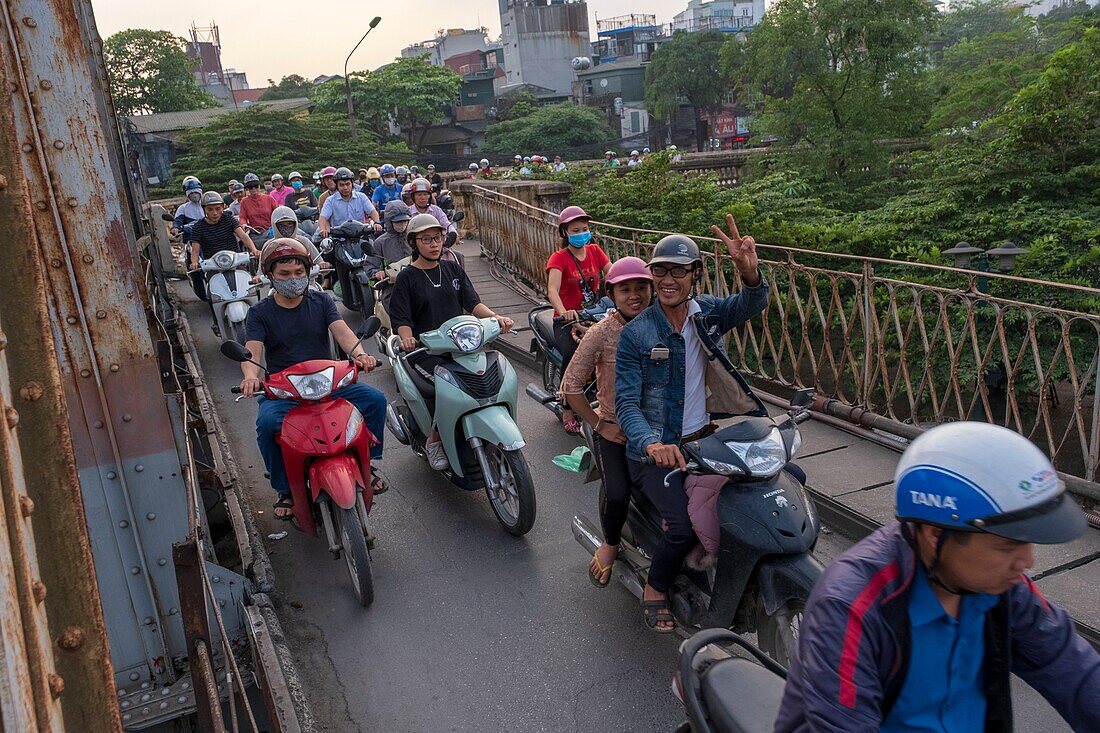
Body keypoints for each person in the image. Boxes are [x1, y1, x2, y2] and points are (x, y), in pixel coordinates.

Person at [775, 422, 1100, 732]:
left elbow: (1073, 668)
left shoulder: (1003, 589)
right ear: (934, 534)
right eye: (1008, 545)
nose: (1027, 561)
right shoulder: (850, 608)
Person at [615, 215, 769, 632]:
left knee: (778, 484)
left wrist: (749, 273)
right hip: (654, 455)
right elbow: (626, 402)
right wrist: (650, 443)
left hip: (705, 444)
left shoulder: (709, 314)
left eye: (679, 270)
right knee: (681, 529)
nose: (669, 279)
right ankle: (656, 586)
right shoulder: (637, 334)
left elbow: (751, 304)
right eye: (660, 270)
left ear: (695, 274)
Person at [241, 240, 387, 519]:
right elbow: (252, 351)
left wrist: (360, 355)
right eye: (284, 274)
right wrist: (251, 377)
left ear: (308, 271)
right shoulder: (260, 313)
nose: (293, 279)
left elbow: (343, 333)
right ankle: (284, 488)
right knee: (267, 425)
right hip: (285, 392)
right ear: (271, 275)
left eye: (299, 272)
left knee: (375, 401)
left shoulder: (321, 301)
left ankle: (369, 462)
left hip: (330, 383)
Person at [388, 214, 514, 470]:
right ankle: (434, 440)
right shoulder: (407, 278)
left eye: (438, 238)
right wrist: (407, 338)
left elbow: (473, 303)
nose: (434, 244)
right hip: (427, 351)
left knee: (489, 377)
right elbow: (401, 318)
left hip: (463, 344)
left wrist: (496, 318)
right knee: (444, 388)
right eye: (426, 239)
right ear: (414, 243)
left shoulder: (452, 268)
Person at [561, 257, 653, 587]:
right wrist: (601, 426)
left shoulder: (663, 324)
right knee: (617, 494)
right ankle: (611, 543)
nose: (635, 295)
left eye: (641, 287)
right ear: (611, 294)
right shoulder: (601, 333)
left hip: (658, 428)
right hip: (615, 429)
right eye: (625, 289)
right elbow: (571, 387)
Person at [545, 206, 612, 434]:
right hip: (566, 319)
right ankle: (566, 406)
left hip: (594, 315)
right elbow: (552, 290)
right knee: (574, 353)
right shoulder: (559, 258)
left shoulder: (595, 251)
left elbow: (612, 273)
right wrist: (565, 312)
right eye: (576, 230)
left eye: (585, 229)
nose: (582, 233)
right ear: (565, 233)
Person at [187, 191, 258, 301]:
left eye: (218, 208)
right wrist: (194, 262)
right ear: (204, 209)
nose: (214, 213)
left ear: (223, 207)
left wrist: (254, 250)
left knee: (250, 288)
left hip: (235, 261)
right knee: (214, 296)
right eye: (210, 209)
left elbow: (243, 236)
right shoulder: (198, 227)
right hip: (213, 265)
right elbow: (195, 250)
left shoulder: (229, 219)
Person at [318, 167, 380, 238]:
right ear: (337, 186)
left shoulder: (361, 197)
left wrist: (377, 223)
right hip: (339, 238)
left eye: (347, 184)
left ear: (352, 184)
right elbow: (323, 217)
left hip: (360, 237)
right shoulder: (330, 200)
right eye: (341, 185)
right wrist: (323, 229)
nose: (345, 188)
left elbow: (372, 211)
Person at [238, 172, 279, 249]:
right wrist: (243, 224)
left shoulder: (269, 198)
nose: (253, 189)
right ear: (247, 189)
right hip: (255, 233)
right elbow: (242, 217)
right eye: (250, 187)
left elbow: (278, 212)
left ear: (259, 186)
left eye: (256, 186)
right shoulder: (244, 201)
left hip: (270, 232)